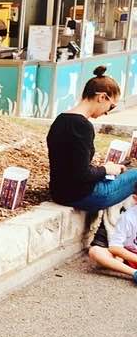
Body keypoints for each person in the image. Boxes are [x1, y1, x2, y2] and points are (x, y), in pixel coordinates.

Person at [47, 66, 137, 210]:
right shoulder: (82, 126)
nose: (107, 113)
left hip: (59, 191)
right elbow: (81, 174)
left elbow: (70, 166)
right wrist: (106, 169)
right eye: (111, 106)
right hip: (81, 195)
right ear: (102, 97)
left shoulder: (60, 120)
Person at [87, 193, 137, 284]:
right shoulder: (128, 217)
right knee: (95, 251)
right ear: (135, 199)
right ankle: (133, 273)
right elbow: (114, 247)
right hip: (130, 256)